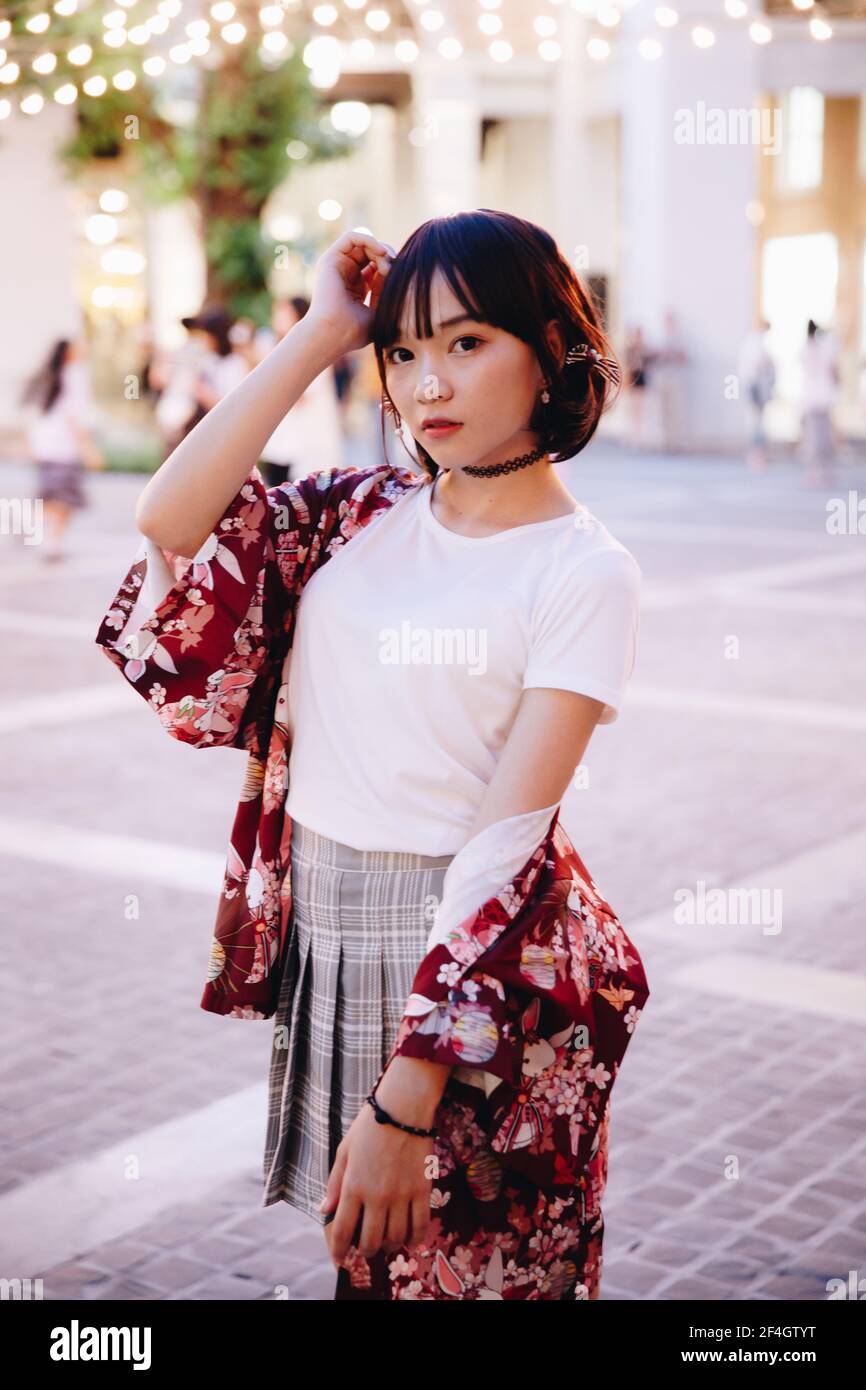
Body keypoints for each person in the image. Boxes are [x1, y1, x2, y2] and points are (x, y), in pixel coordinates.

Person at [95, 213, 649, 1301]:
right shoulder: (360, 512)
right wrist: (317, 334)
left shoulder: (583, 572)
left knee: (475, 1282)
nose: (423, 384)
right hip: (337, 934)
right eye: (400, 351)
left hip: (473, 973)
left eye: (464, 342)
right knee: (367, 1267)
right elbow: (168, 520)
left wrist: (408, 1093)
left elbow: (504, 844)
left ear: (550, 350)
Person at [21, 335, 104, 562]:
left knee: (55, 496)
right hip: (65, 448)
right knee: (64, 500)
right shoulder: (74, 376)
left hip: (45, 446)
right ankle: (50, 542)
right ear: (69, 353)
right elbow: (74, 417)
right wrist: (88, 448)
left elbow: (34, 415)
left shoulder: (47, 377)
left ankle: (42, 534)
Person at [254, 296, 344, 486]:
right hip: (282, 444)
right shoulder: (277, 348)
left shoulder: (315, 349)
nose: (277, 319)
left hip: (306, 445)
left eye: (284, 314)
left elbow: (299, 397)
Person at [798, 318, 840, 486]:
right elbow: (834, 371)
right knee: (825, 436)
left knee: (814, 437)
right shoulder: (826, 349)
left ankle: (815, 471)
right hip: (825, 397)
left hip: (811, 398)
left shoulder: (806, 350)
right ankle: (826, 471)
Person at [738, 318, 776, 472]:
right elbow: (759, 364)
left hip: (753, 385)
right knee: (757, 422)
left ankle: (756, 455)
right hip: (755, 386)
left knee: (756, 421)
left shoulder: (751, 341)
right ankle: (756, 456)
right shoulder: (756, 342)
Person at [622, 323, 651, 449]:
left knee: (640, 410)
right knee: (631, 410)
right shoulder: (630, 349)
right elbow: (628, 366)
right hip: (633, 379)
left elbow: (646, 366)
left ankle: (640, 438)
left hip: (641, 380)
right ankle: (631, 437)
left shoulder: (645, 349)